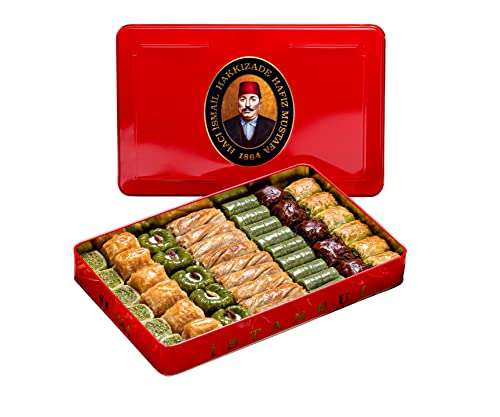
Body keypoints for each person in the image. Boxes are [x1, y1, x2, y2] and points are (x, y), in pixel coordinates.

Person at [223, 81, 275, 148]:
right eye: (243, 99)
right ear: (237, 105)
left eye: (253, 99)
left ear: (260, 105)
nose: (247, 104)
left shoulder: (272, 127)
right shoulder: (225, 127)